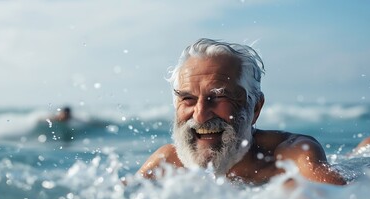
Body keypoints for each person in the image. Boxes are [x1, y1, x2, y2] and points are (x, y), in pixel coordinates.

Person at [137, 38, 347, 185]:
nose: (200, 115)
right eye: (188, 99)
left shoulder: (291, 156)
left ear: (255, 107)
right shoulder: (168, 162)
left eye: (219, 97)